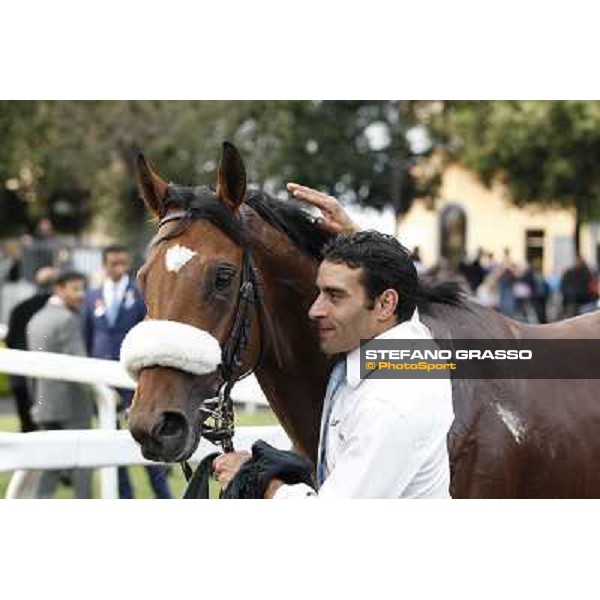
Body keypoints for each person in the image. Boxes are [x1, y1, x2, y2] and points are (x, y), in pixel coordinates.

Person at [214, 184, 455, 499]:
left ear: (384, 305)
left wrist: (258, 483)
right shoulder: (409, 349)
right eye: (319, 292)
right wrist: (360, 241)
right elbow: (403, 302)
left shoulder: (391, 403)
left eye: (335, 296)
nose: (315, 310)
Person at [83, 245, 172, 499]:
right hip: (102, 381)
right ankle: (124, 496)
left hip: (133, 379)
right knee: (110, 438)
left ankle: (163, 493)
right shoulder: (92, 296)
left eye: (123, 263)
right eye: (113, 263)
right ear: (104, 265)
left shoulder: (141, 295)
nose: (119, 268)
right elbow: (87, 336)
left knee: (148, 438)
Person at [26, 269, 95, 498]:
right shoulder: (67, 319)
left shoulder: (36, 318)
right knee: (83, 469)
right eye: (75, 289)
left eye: (82, 288)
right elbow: (81, 364)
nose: (81, 294)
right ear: (59, 289)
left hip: (44, 404)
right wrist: (105, 393)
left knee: (49, 468)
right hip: (73, 406)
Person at [5, 267, 57, 432]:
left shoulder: (19, 308)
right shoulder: (58, 309)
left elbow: (10, 339)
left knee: (27, 426)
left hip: (21, 374)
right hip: (51, 376)